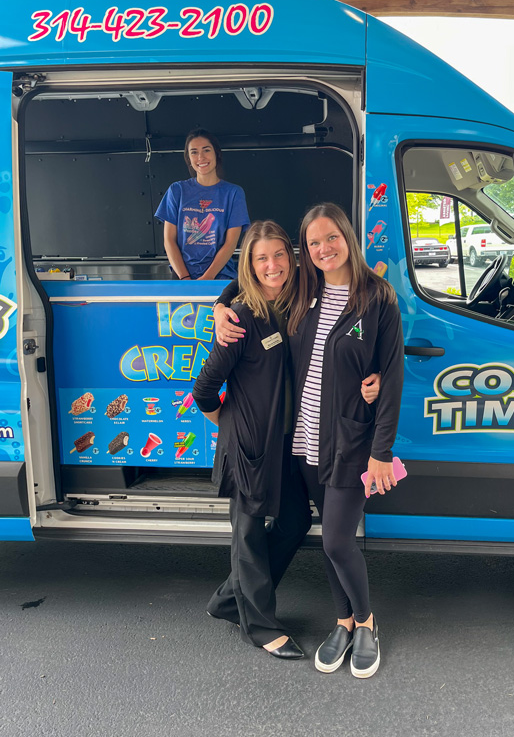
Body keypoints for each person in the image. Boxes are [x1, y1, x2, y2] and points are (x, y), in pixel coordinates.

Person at [215, 203, 403, 678]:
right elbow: (255, 277)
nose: (323, 249)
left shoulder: (377, 297)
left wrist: (381, 450)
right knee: (314, 536)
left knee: (338, 540)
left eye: (331, 238)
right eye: (313, 243)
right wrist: (221, 305)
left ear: (348, 236)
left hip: (351, 443)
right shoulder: (306, 288)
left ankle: (366, 624)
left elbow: (393, 377)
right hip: (303, 443)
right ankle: (341, 622)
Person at [155, 129, 250, 280]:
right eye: (194, 152)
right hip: (182, 278)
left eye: (206, 150)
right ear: (188, 158)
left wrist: (206, 280)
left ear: (216, 153)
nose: (201, 157)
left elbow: (230, 244)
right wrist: (185, 278)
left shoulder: (234, 193)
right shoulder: (176, 191)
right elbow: (169, 240)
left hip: (221, 277)